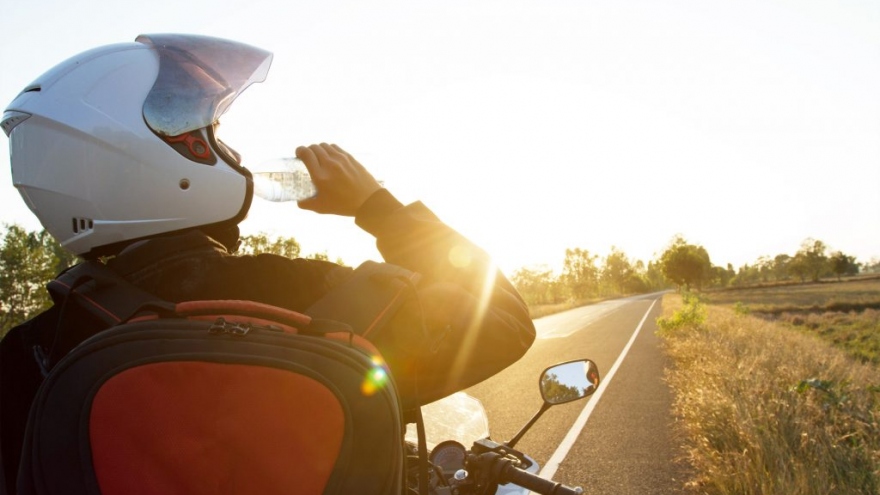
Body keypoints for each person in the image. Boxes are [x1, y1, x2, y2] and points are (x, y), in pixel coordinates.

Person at [0, 34, 535, 491]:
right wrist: (377, 207)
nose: (231, 153)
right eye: (209, 135)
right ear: (167, 153)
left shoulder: (30, 353)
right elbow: (504, 317)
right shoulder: (320, 297)